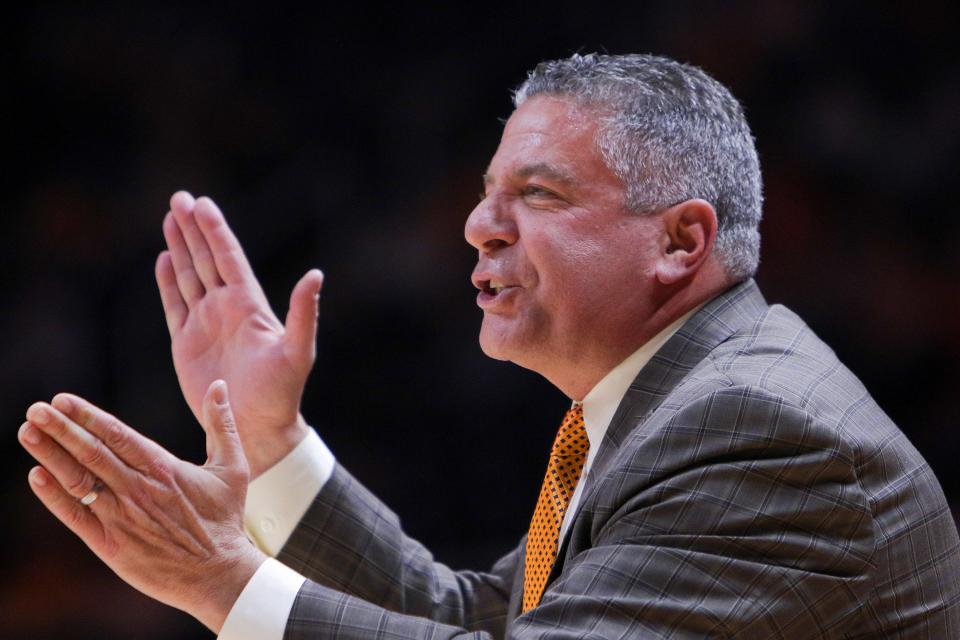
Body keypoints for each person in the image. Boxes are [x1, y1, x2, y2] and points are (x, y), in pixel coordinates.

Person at [17, 53, 960, 638]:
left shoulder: (758, 430)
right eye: (486, 190)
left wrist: (221, 581)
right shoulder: (674, 398)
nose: (477, 225)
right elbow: (486, 621)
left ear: (681, 242)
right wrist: (272, 437)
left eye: (538, 195)